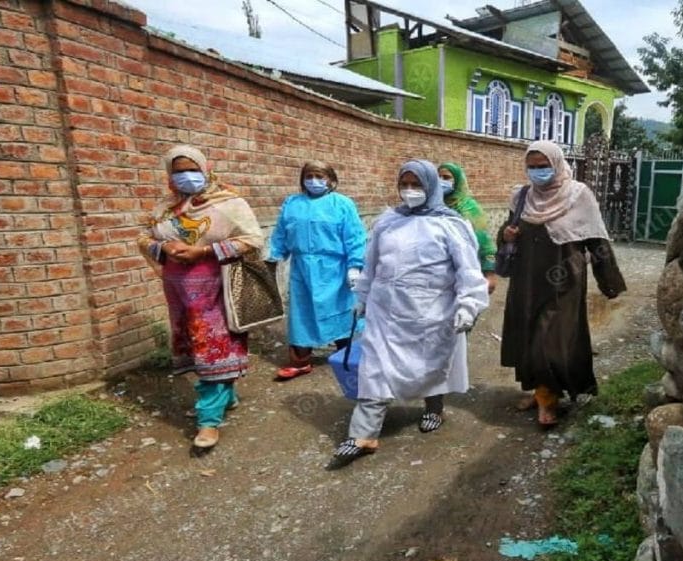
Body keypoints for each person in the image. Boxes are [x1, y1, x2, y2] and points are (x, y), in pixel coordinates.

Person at [327, 159, 489, 469]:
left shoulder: (451, 224)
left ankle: (433, 409)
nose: (410, 191)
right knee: (375, 367)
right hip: (385, 311)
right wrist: (362, 296)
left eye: (417, 185)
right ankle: (363, 434)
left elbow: (468, 271)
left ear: (429, 186)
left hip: (431, 311)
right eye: (405, 184)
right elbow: (371, 264)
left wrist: (468, 306)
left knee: (431, 364)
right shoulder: (388, 222)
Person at [137, 145, 263, 450]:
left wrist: (204, 250)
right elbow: (144, 237)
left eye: (191, 169)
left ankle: (208, 420)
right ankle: (224, 396)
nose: (186, 176)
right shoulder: (164, 208)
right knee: (197, 348)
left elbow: (253, 239)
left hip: (216, 290)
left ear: (205, 169)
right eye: (178, 171)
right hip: (180, 292)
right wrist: (164, 248)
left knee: (212, 349)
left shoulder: (228, 202)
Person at [497, 141, 626, 427]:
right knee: (528, 338)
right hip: (526, 280)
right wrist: (506, 235)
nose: (537, 172)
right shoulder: (521, 197)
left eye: (543, 166)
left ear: (556, 163)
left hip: (563, 280)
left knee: (550, 340)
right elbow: (507, 234)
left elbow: (596, 239)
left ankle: (548, 400)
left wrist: (609, 281)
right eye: (532, 167)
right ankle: (540, 390)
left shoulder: (578, 194)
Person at [267, 161, 366, 380]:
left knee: (341, 310)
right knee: (302, 313)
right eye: (309, 176)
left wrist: (355, 266)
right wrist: (274, 254)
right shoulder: (292, 203)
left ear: (331, 179)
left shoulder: (342, 204)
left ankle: (347, 355)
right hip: (302, 268)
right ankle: (300, 360)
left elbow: (355, 237)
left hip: (335, 268)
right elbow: (281, 231)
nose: (314, 180)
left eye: (319, 176)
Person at [438, 162, 498, 294]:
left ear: (458, 180)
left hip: (468, 270)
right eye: (439, 177)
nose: (441, 181)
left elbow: (485, 243)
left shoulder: (470, 208)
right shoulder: (435, 205)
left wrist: (490, 274)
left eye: (446, 178)